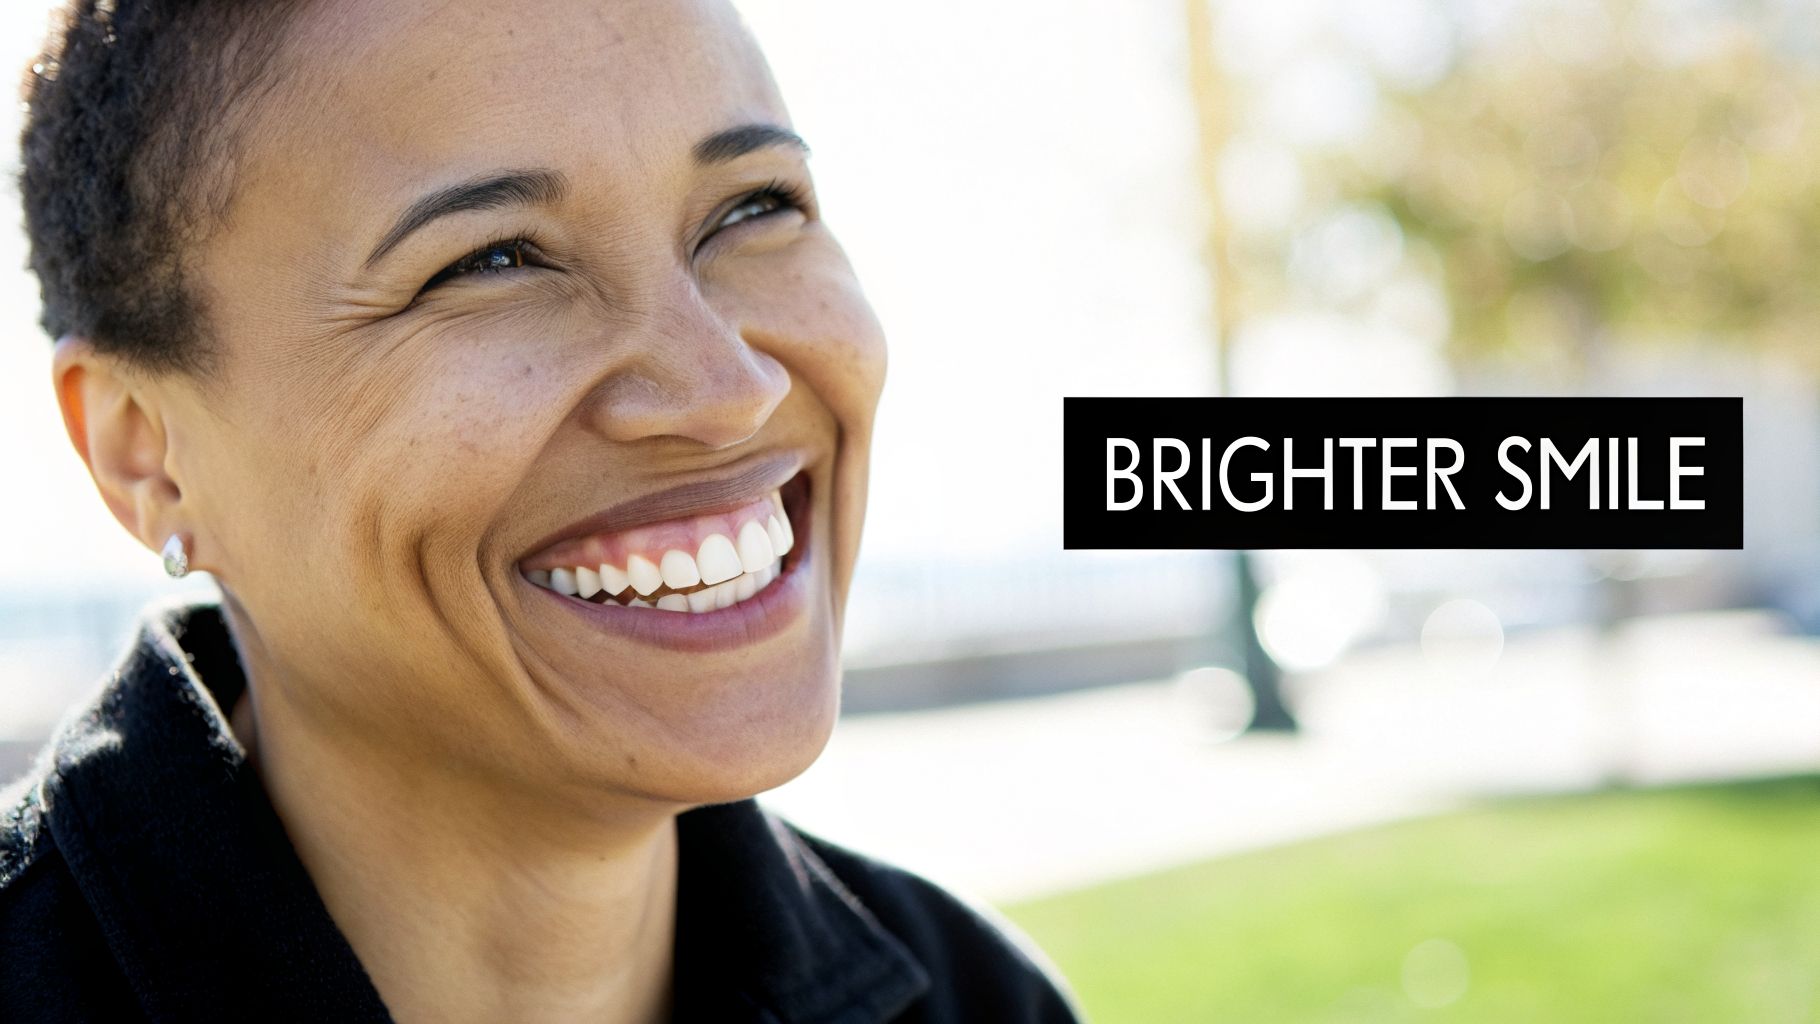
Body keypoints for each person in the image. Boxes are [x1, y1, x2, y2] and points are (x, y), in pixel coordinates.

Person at [0, 1, 1083, 1020]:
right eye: (491, 260)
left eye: (755, 206)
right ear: (144, 450)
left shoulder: (977, 997)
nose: (725, 388)